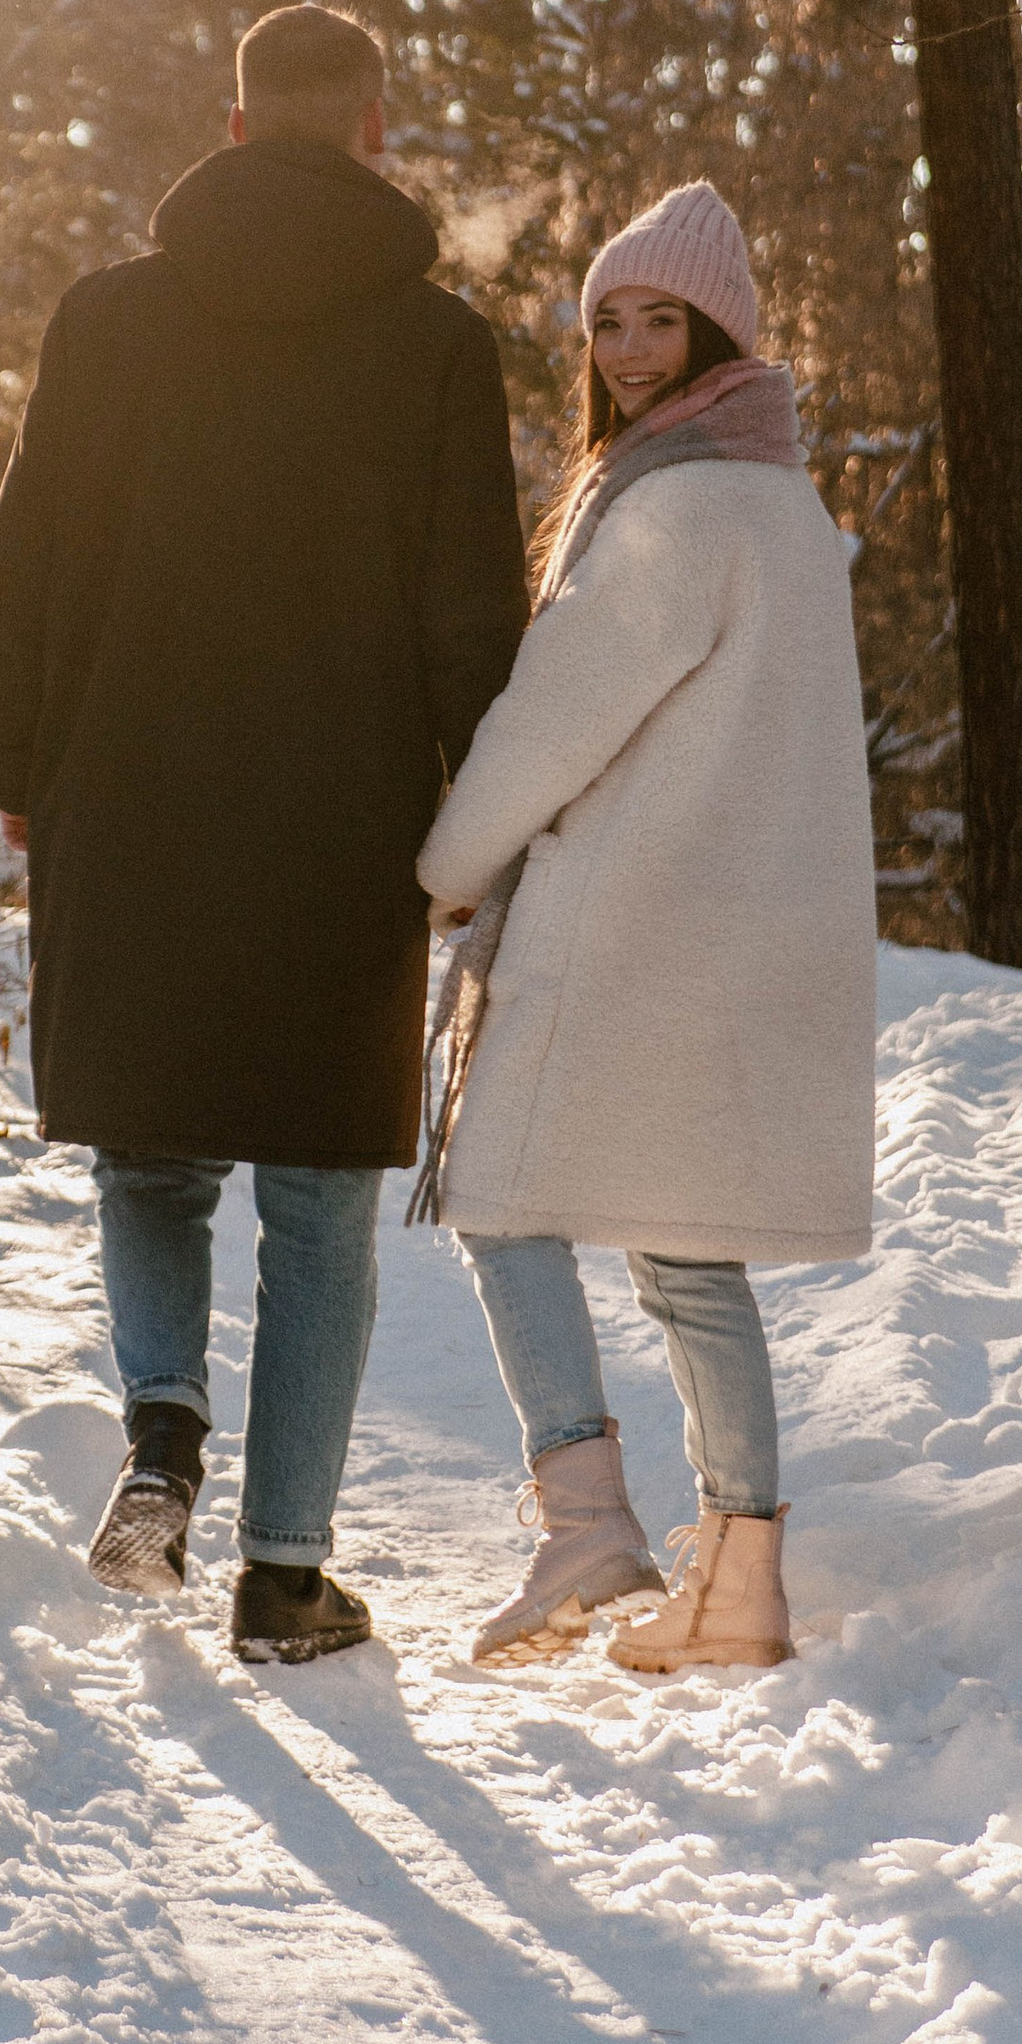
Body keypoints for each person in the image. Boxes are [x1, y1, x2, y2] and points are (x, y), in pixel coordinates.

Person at [0, 7, 529, 1663]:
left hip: (125, 788)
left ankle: (161, 1439)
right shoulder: (435, 348)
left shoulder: (105, 318)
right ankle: (285, 1577)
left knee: (149, 1148)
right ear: (372, 132)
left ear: (229, 131)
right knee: (312, 1205)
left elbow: (27, 562)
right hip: (339, 814)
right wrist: (476, 818)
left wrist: (27, 766)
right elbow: (468, 613)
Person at [415, 179, 876, 1674]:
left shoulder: (677, 504)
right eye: (606, 318)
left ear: (716, 326)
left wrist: (453, 862)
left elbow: (562, 714)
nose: (622, 346)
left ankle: (587, 1526)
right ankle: (738, 1583)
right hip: (732, 928)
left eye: (655, 317)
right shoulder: (781, 499)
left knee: (497, 1197)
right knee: (688, 1257)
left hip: (636, 920)